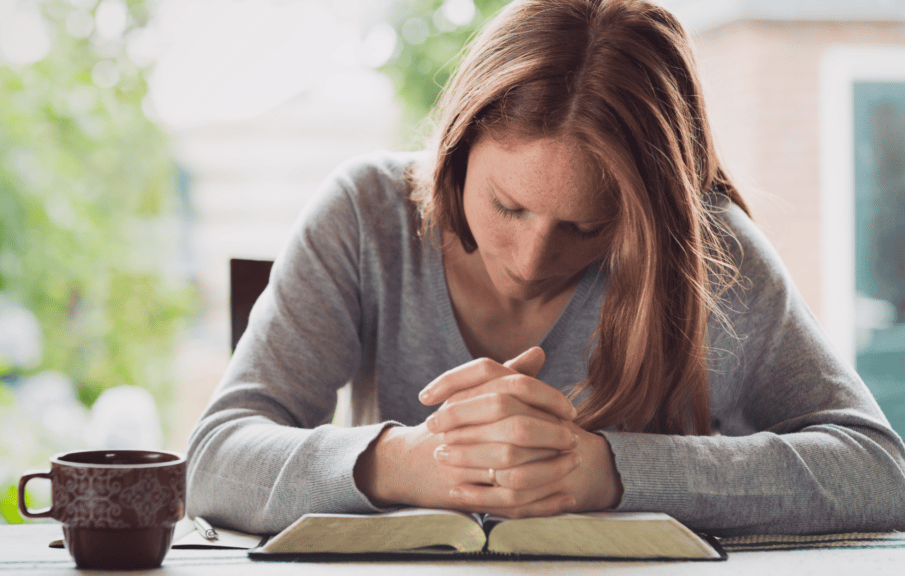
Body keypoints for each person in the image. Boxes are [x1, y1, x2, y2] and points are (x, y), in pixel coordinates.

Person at [186, 0, 905, 537]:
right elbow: (214, 459)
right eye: (506, 207)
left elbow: (879, 473)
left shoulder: (706, 254)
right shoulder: (365, 214)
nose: (531, 260)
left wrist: (609, 472)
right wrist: (411, 462)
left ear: (647, 212)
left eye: (586, 226)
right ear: (458, 148)